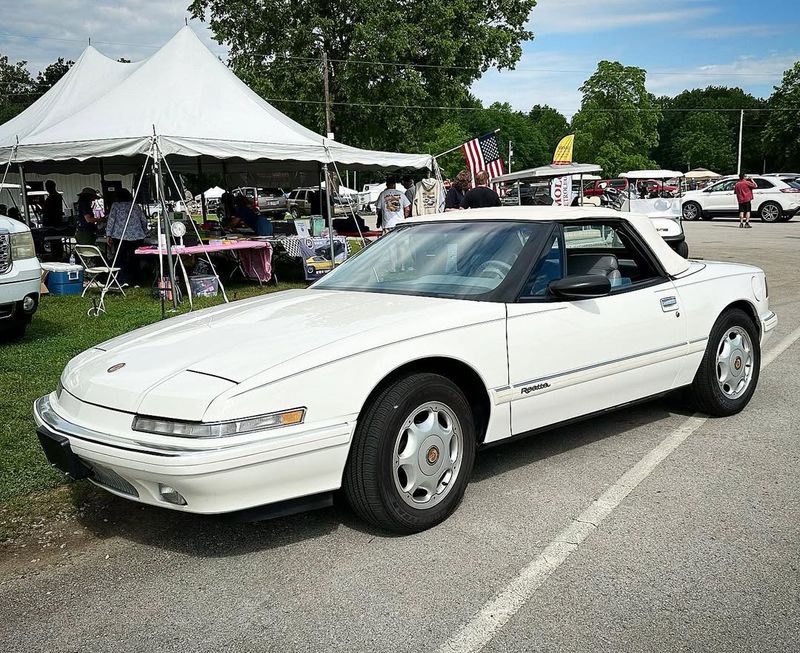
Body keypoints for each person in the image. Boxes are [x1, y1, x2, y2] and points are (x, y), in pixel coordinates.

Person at [105, 188, 148, 286]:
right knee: (136, 259)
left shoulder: (115, 206)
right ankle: (137, 281)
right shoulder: (135, 206)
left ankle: (123, 280)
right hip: (136, 236)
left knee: (121, 259)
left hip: (120, 236)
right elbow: (143, 220)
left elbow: (111, 220)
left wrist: (108, 234)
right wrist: (145, 231)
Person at [42, 179, 65, 260]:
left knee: (55, 239)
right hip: (55, 222)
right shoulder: (57, 196)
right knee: (56, 240)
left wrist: (43, 210)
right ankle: (57, 255)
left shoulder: (54, 197)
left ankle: (57, 256)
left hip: (53, 222)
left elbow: (50, 210)